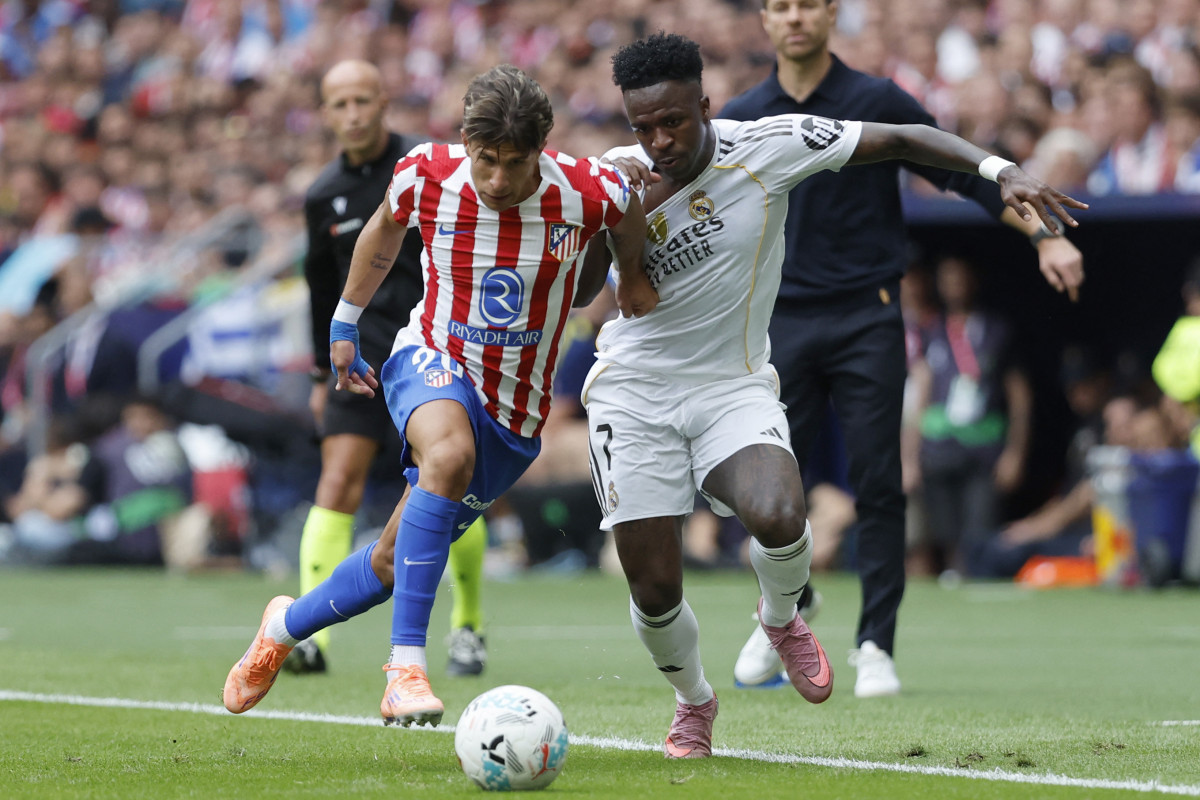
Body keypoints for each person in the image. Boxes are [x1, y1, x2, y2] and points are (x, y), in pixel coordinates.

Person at [585, 32, 1084, 758]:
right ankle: (694, 700)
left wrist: (999, 169)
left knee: (781, 513)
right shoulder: (616, 177)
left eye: (674, 122)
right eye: (643, 127)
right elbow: (573, 284)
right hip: (634, 393)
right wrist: (619, 246)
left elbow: (905, 137)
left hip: (732, 384)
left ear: (705, 105)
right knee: (655, 588)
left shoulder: (767, 145)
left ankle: (782, 615)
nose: (659, 140)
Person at [222, 64, 654, 727]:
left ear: (542, 149)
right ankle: (405, 668)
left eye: (515, 163)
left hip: (515, 415)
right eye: (487, 160)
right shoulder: (427, 173)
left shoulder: (589, 191)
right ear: (466, 143)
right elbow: (382, 231)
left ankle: (283, 627)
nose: (499, 179)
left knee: (394, 561)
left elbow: (625, 223)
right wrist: (344, 322)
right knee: (445, 457)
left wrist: (630, 282)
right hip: (429, 357)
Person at [720, 0, 1086, 699]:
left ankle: (874, 645)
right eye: (781, 7)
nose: (795, 18)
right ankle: (786, 613)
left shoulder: (874, 98)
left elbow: (962, 175)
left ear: (831, 15)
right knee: (766, 492)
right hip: (778, 324)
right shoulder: (743, 112)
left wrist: (1047, 237)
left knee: (881, 482)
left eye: (809, 5)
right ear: (765, 20)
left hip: (869, 315)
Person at [288, 59, 490, 678]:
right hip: (360, 358)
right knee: (338, 479)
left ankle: (467, 627)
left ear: (384, 101)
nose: (352, 114)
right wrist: (323, 377)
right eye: (339, 103)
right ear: (325, 113)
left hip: (434, 352)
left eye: (362, 100)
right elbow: (323, 294)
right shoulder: (323, 195)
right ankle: (311, 638)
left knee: (446, 478)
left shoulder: (430, 168)